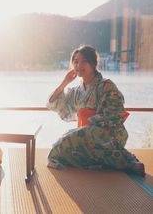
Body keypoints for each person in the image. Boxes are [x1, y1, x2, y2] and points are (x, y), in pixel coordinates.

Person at [47, 45, 145, 176]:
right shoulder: (76, 91)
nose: (79, 65)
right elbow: (54, 103)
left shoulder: (106, 85)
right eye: (76, 62)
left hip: (108, 133)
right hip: (85, 136)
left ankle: (128, 162)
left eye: (84, 61)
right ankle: (111, 161)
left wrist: (90, 123)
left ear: (93, 64)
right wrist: (65, 82)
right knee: (59, 148)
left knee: (71, 139)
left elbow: (114, 114)